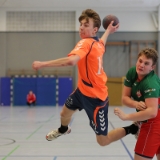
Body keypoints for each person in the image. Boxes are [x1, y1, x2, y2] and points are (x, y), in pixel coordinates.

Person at [32, 9, 137, 146]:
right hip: (82, 90)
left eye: (86, 25)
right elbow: (102, 42)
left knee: (102, 141)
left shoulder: (85, 43)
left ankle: (134, 128)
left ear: (94, 30)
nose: (81, 27)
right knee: (64, 114)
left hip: (96, 98)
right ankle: (63, 129)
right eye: (81, 24)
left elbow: (71, 61)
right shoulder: (97, 43)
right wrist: (108, 31)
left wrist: (42, 64)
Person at [114, 48, 160, 160]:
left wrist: (126, 117)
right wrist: (135, 104)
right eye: (140, 61)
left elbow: (152, 112)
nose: (141, 65)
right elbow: (124, 98)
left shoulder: (150, 83)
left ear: (152, 68)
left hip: (153, 124)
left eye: (146, 63)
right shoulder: (132, 72)